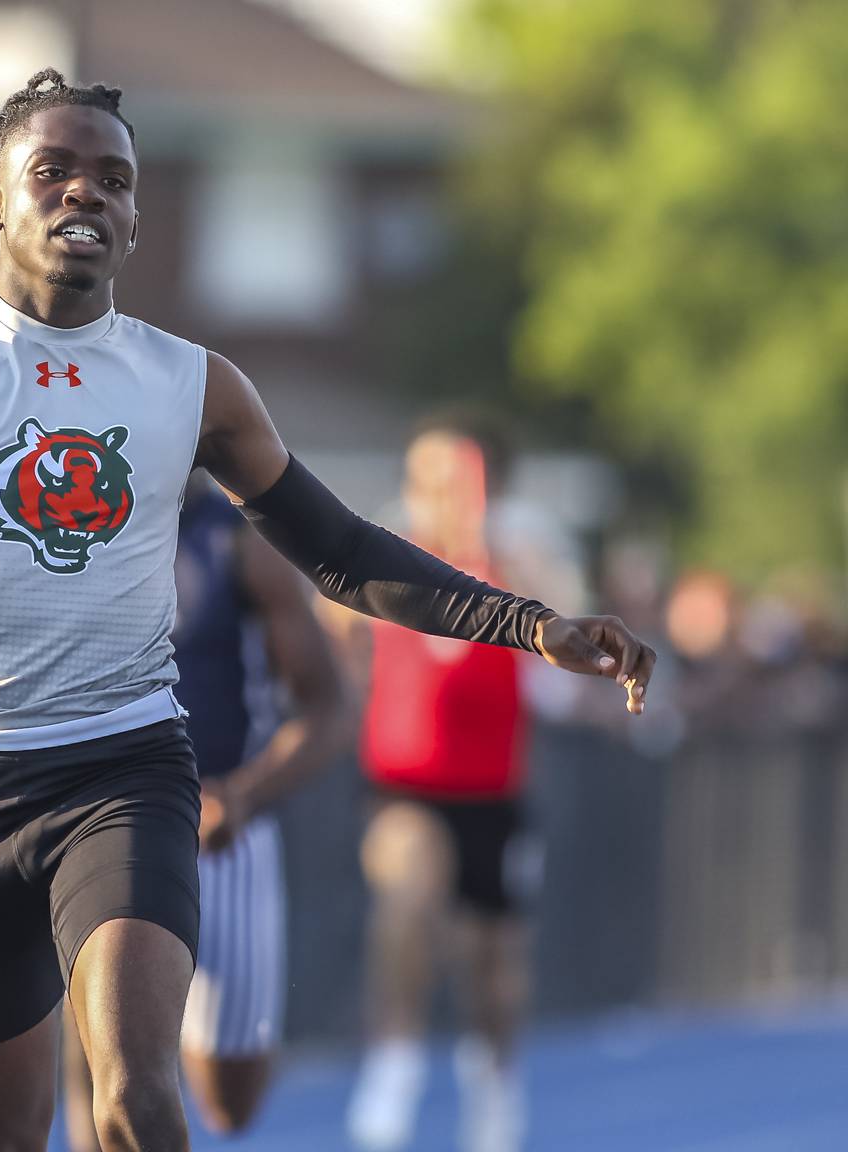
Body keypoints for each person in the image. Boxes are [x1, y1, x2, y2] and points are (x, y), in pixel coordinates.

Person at [0, 69, 655, 1152]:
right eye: (53, 171)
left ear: (136, 218)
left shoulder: (192, 384)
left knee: (135, 1101)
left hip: (124, 770)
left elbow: (341, 554)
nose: (85, 194)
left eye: (113, 179)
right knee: (1, 1136)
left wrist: (533, 625)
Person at [59, 472, 348, 1146]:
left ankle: (168, 1018)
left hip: (219, 833)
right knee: (106, 1049)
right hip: (104, 820)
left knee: (227, 1099)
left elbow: (329, 707)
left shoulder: (242, 543)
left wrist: (244, 795)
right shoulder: (69, 534)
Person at [339, 416, 545, 1152]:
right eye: (425, 481)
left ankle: (494, 1082)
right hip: (405, 785)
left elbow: (562, 643)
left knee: (492, 965)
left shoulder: (516, 565)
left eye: (453, 481)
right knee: (408, 894)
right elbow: (328, 634)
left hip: (491, 790)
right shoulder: (378, 563)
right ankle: (395, 1058)